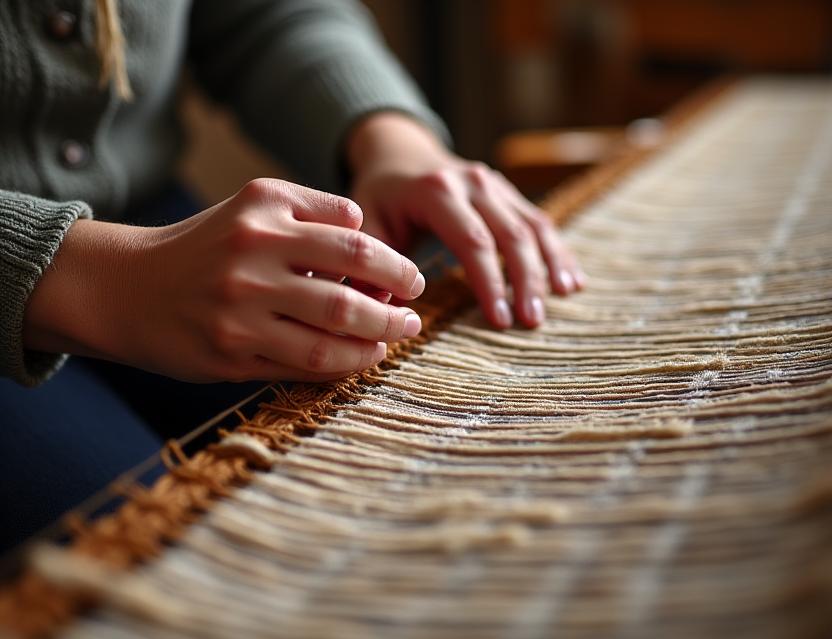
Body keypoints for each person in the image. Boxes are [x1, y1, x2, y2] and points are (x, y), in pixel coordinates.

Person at [0, 0, 583, 551]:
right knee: (162, 548)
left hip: (172, 234)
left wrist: (391, 139)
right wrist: (104, 279)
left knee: (423, 472)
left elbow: (264, 14)